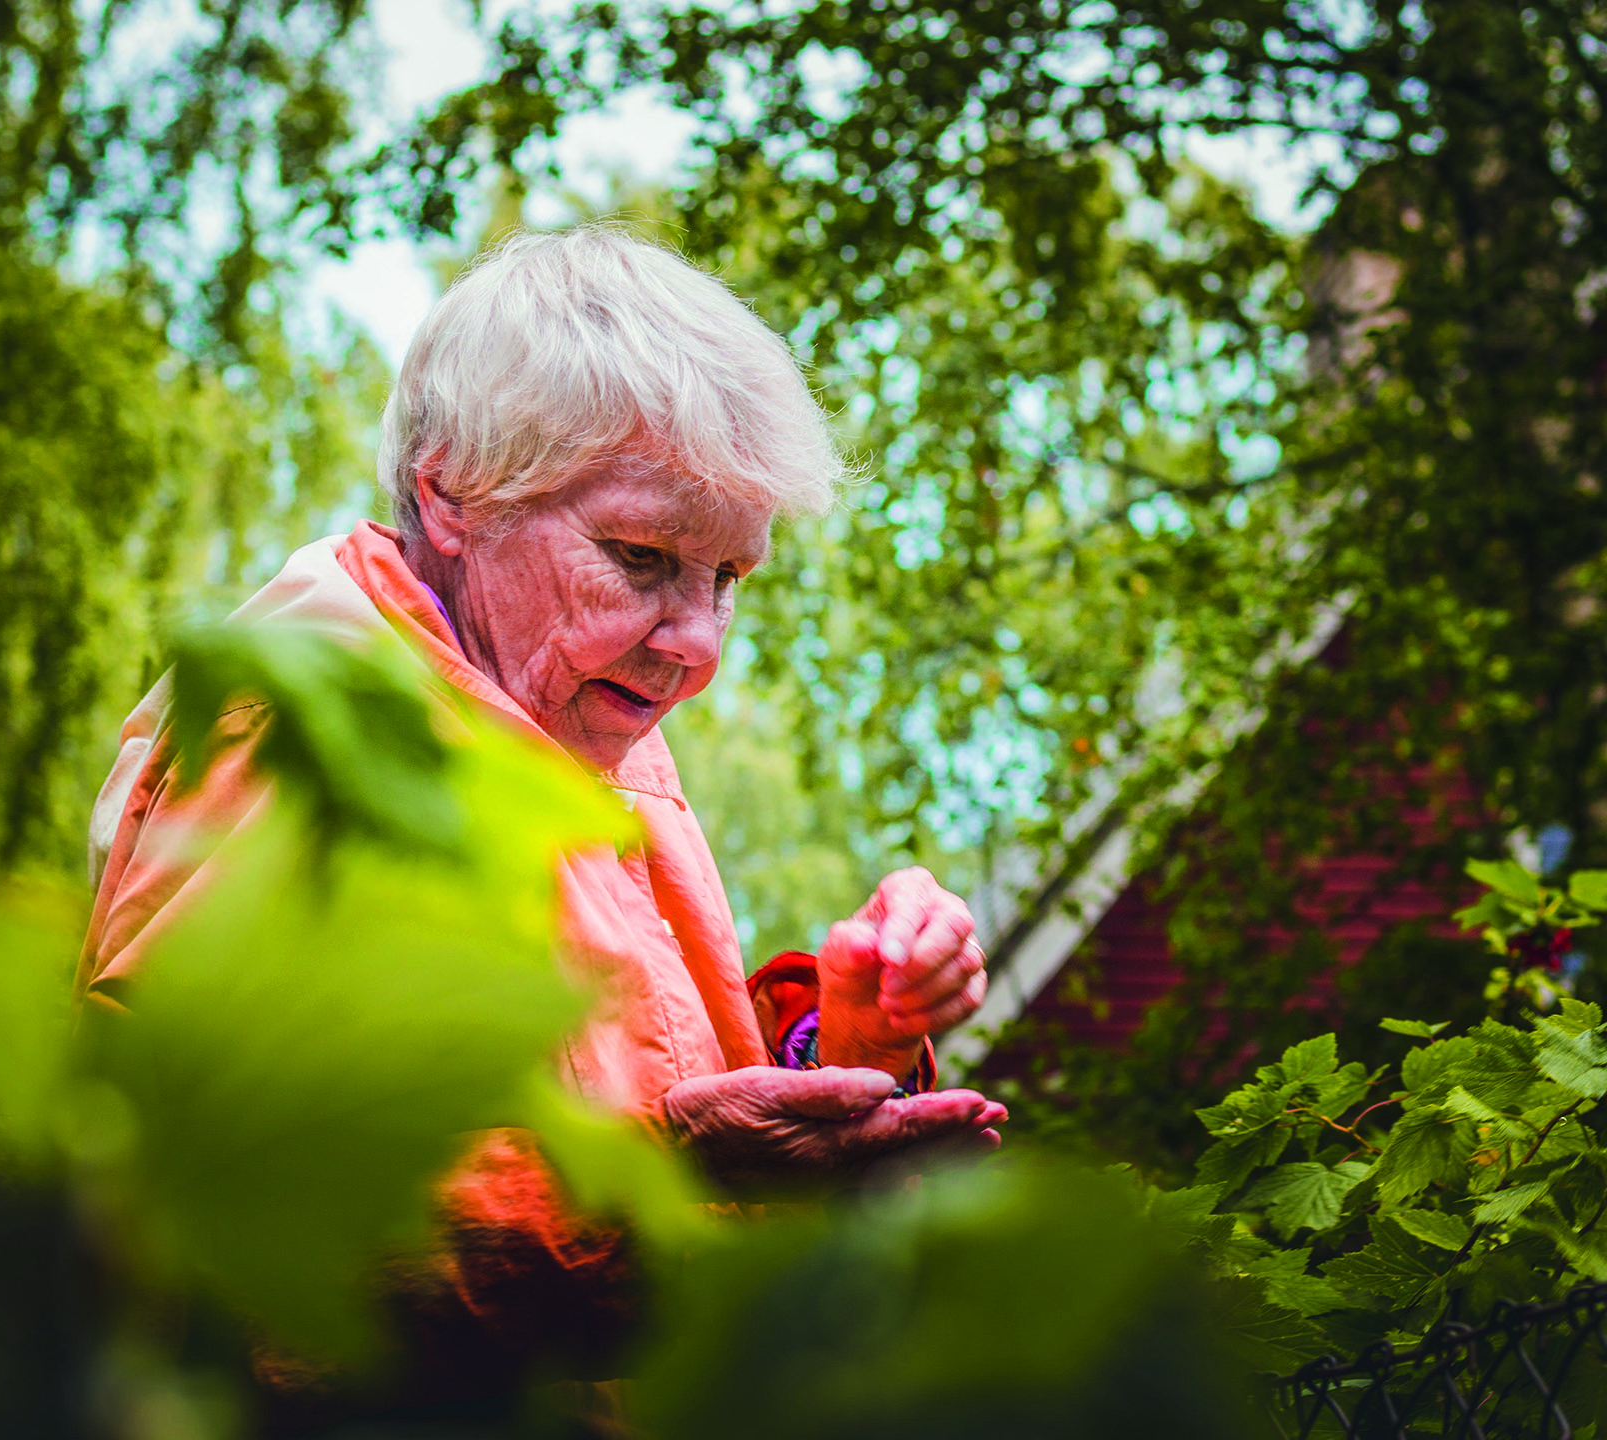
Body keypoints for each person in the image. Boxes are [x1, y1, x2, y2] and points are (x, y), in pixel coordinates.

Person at [75, 226, 1005, 1407]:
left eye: (729, 578)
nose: (698, 645)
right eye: (642, 555)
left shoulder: (574, 720)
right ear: (450, 492)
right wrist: (654, 1191)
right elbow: (189, 1227)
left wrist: (844, 1043)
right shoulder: (304, 740)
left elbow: (632, 1088)